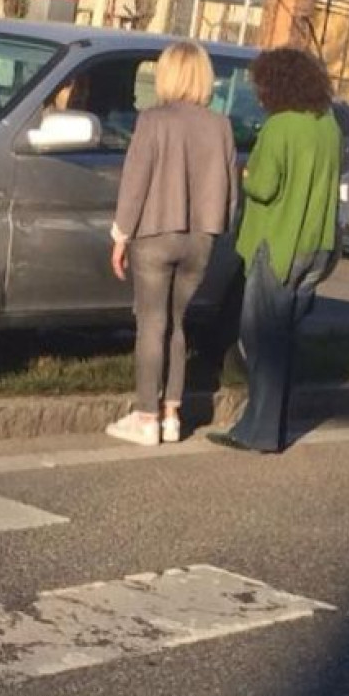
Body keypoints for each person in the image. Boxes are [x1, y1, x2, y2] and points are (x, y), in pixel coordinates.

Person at [105, 41, 239, 446]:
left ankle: (146, 416)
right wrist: (221, 230)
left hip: (154, 234)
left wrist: (120, 234)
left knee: (151, 323)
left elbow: (135, 182)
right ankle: (171, 416)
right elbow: (231, 192)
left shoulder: (153, 120)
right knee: (177, 324)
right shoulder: (221, 125)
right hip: (201, 238)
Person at [212, 46, 342, 454]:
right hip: (317, 244)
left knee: (260, 337)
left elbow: (263, 186)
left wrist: (244, 173)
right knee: (283, 338)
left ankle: (258, 430)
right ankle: (271, 422)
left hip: (277, 243)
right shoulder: (328, 126)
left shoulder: (279, 128)